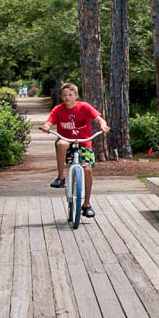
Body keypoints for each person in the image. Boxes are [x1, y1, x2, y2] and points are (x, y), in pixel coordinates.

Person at [45, 82, 109, 217]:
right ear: (61, 97)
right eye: (64, 95)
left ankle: (86, 204)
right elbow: (49, 121)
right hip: (66, 140)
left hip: (83, 142)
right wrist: (46, 126)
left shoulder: (84, 107)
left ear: (76, 96)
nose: (67, 98)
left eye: (70, 95)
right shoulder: (58, 109)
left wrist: (103, 125)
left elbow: (99, 119)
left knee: (87, 170)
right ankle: (61, 177)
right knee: (61, 144)